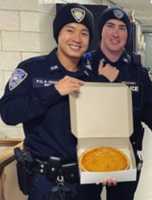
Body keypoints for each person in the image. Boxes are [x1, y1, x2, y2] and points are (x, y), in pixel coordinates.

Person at [0, 3, 95, 200]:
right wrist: (54, 91)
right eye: (70, 30)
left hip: (86, 180)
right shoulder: (32, 70)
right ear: (58, 34)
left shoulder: (93, 77)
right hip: (44, 182)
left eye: (84, 33)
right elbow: (8, 113)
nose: (77, 38)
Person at [82, 6, 152, 200]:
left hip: (127, 152)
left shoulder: (138, 71)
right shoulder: (83, 65)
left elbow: (149, 110)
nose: (116, 33)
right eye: (110, 26)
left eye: (122, 28)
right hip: (87, 153)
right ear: (101, 30)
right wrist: (105, 82)